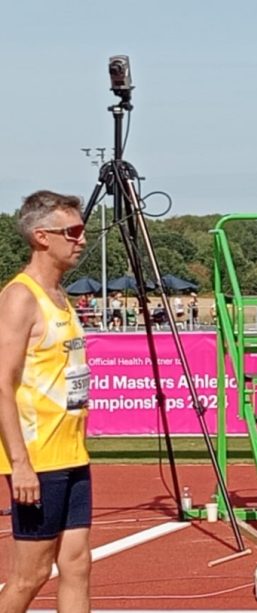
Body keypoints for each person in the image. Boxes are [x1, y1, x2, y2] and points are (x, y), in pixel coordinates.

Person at [0, 190, 92, 613]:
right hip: (38, 459)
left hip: (71, 453)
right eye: (72, 232)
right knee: (30, 574)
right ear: (41, 237)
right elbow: (2, 382)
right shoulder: (20, 297)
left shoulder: (60, 296)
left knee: (76, 564)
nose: (82, 240)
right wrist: (20, 462)